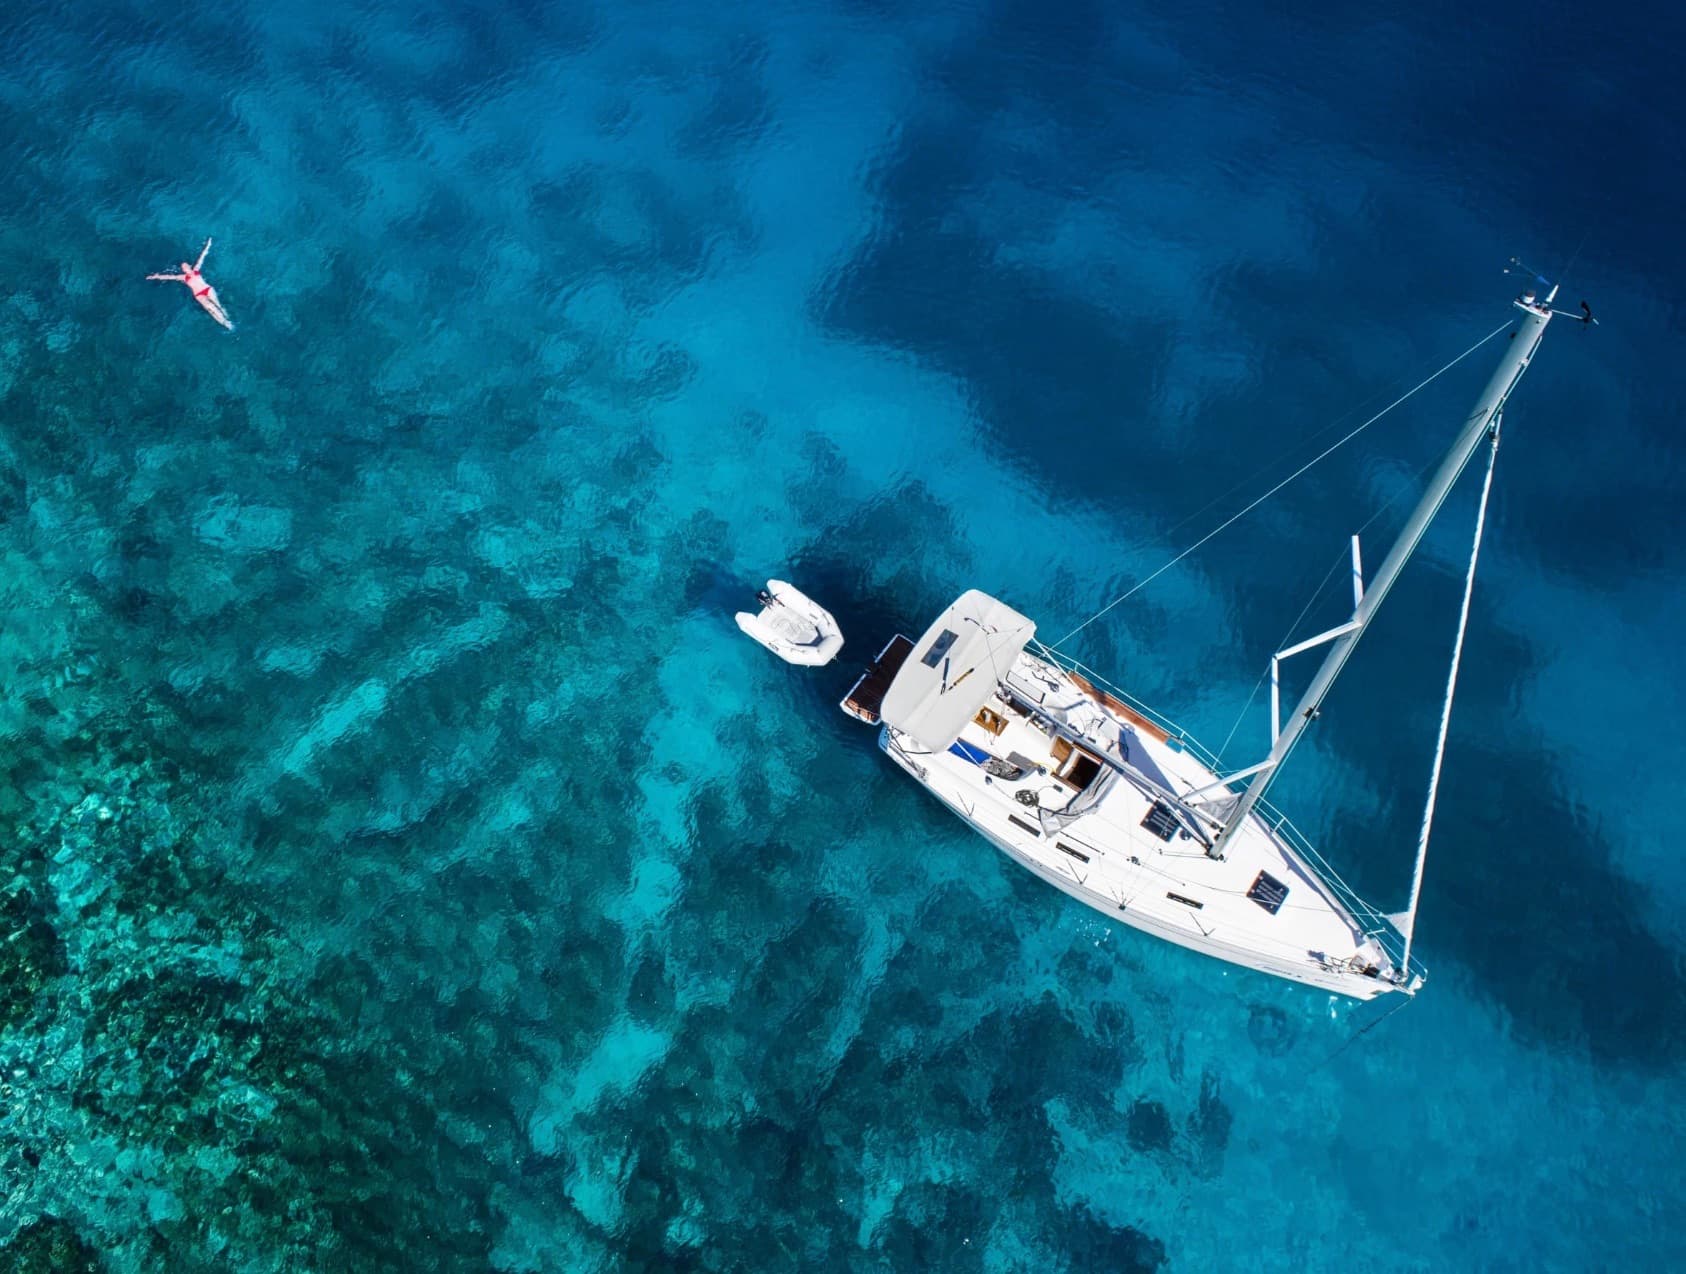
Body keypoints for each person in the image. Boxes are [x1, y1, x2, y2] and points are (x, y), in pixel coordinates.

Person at [147, 238, 233, 330]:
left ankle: (227, 317)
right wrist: (156, 277)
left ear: (189, 266)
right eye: (183, 268)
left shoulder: (196, 270)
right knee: (211, 309)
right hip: (199, 295)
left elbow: (202, 256)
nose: (184, 268)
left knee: (218, 305)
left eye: (185, 266)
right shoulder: (183, 277)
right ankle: (226, 324)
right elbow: (170, 276)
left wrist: (208, 244)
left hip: (207, 289)